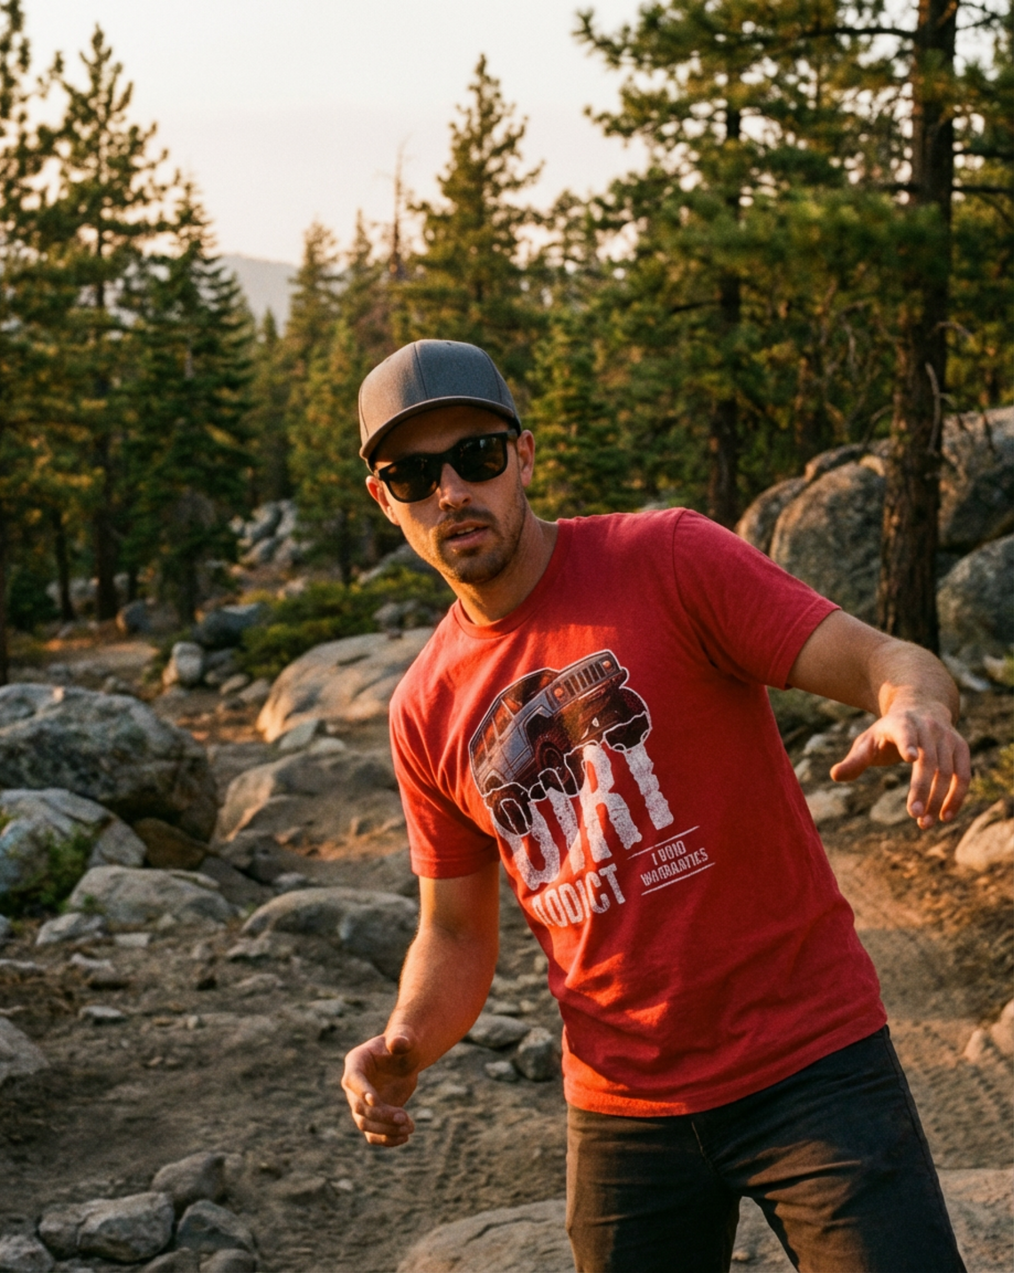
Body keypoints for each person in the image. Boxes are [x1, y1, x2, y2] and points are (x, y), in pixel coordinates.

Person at [340, 339, 971, 1273]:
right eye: (413, 473)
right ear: (383, 498)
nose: (450, 493)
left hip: (812, 1065)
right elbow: (456, 932)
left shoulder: (667, 558)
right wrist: (406, 1039)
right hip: (622, 1110)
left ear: (523, 456)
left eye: (474, 457)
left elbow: (890, 659)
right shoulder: (424, 708)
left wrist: (914, 705)